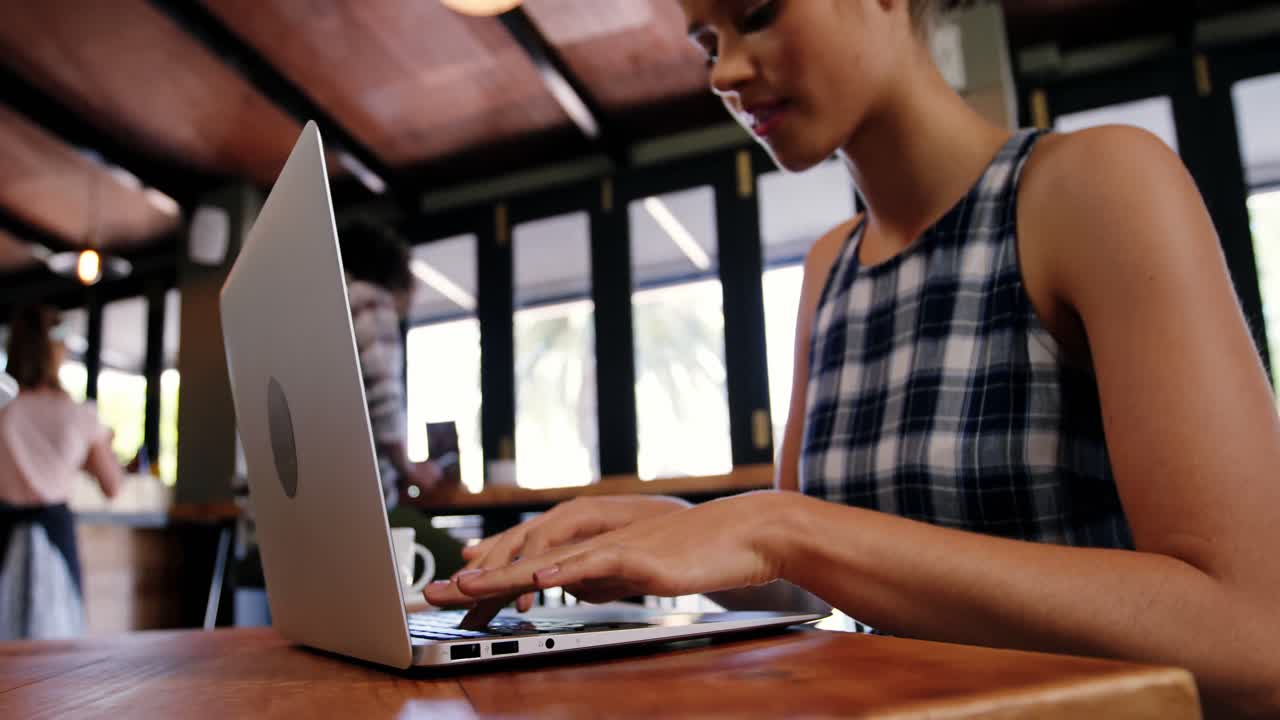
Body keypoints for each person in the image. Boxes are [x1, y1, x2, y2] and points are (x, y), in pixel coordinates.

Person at [426, 1, 1280, 716]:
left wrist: (783, 524)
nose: (722, 74)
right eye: (707, 43)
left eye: (757, 14)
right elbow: (824, 585)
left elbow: (1255, 638)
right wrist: (676, 522)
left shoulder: (1095, 186)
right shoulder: (828, 267)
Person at [337, 217, 466, 581]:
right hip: (366, 512)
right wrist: (411, 468)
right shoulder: (370, 301)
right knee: (482, 574)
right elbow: (384, 402)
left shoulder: (328, 306)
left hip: (323, 511)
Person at [0, 306, 123, 639]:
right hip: (55, 535)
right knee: (56, 649)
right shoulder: (78, 415)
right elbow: (112, 485)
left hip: (3, 533)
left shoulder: (4, 411)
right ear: (55, 352)